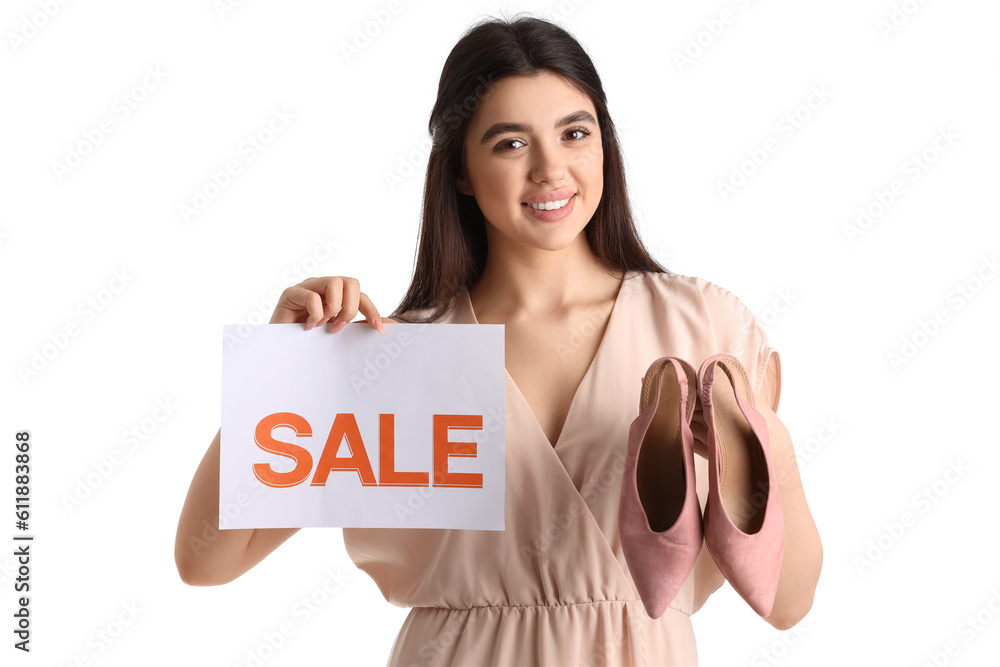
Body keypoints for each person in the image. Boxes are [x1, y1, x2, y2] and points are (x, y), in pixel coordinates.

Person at [174, 13, 822, 665]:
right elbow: (205, 558)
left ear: (605, 144)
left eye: (575, 132)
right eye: (511, 144)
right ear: (460, 170)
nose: (550, 169)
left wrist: (769, 438)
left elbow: (788, 599)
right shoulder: (392, 360)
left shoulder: (706, 326)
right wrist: (285, 369)